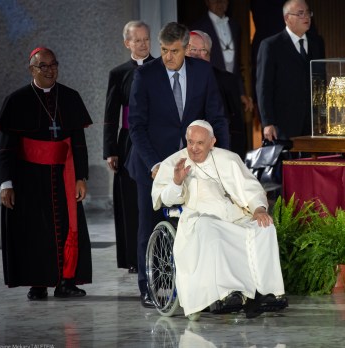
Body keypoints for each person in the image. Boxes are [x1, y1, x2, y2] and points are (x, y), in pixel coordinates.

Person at [126, 22, 230, 308]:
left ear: (186, 48)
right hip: (152, 163)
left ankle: (193, 285)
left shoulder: (203, 72)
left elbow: (216, 118)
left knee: (193, 224)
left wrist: (223, 160)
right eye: (163, 50)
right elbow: (136, 127)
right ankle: (148, 288)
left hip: (192, 164)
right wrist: (155, 165)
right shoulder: (145, 76)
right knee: (148, 223)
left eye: (174, 51)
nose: (168, 57)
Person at [152, 120, 287, 320]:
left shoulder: (229, 159)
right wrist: (177, 182)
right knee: (211, 228)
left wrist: (259, 209)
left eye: (199, 143)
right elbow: (164, 199)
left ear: (212, 142)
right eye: (190, 142)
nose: (194, 148)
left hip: (235, 215)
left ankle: (267, 292)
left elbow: (252, 189)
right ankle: (228, 294)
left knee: (264, 227)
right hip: (198, 218)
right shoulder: (174, 162)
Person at [0, 47, 93, 300]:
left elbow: (79, 142)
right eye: (44, 66)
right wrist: (7, 183)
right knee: (34, 231)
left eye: (54, 65)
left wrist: (81, 177)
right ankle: (37, 284)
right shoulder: (16, 100)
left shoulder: (70, 97)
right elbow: (7, 147)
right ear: (32, 69)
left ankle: (66, 282)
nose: (50, 70)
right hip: (29, 178)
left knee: (67, 227)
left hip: (64, 174)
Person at [103, 20, 154, 275]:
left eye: (146, 39)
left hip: (155, 138)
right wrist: (110, 149)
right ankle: (134, 257)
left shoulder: (160, 67)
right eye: (138, 40)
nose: (143, 44)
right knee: (129, 199)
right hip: (127, 142)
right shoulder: (118, 73)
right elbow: (111, 113)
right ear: (127, 43)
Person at [256, 0, 325, 145]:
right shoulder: (271, 46)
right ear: (287, 18)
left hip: (312, 124)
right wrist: (267, 122)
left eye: (308, 12)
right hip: (283, 125)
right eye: (300, 13)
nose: (306, 17)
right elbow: (264, 87)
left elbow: (321, 81)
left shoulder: (317, 42)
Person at [186, 30, 247, 159]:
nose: (197, 55)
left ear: (209, 55)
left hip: (216, 152)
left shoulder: (227, 80)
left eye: (203, 51)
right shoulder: (172, 78)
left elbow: (236, 127)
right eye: (193, 49)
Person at [189, 0, 253, 113]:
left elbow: (236, 65)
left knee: (233, 128)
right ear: (207, 2)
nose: (219, 3)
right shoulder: (197, 28)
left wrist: (241, 92)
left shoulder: (235, 26)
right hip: (208, 91)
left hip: (232, 92)